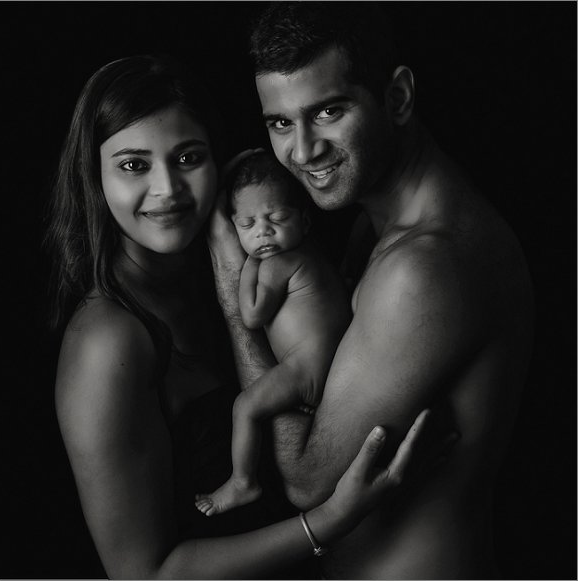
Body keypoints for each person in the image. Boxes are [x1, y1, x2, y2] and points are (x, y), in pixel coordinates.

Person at [46, 54, 433, 579]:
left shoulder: (235, 265)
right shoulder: (108, 341)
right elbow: (145, 574)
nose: (168, 190)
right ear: (94, 176)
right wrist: (327, 521)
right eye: (134, 165)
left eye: (188, 158)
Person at [207, 3, 535, 578]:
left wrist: (232, 285)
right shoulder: (374, 222)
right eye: (280, 123)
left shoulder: (423, 267)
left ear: (398, 97)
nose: (302, 151)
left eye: (328, 111)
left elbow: (309, 480)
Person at [195, 151, 350, 517]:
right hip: (333, 372)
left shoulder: (279, 262)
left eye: (276, 218)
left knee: (244, 407)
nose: (263, 231)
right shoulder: (313, 255)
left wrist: (247, 261)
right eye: (247, 225)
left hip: (305, 372)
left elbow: (250, 315)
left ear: (305, 220)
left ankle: (243, 482)